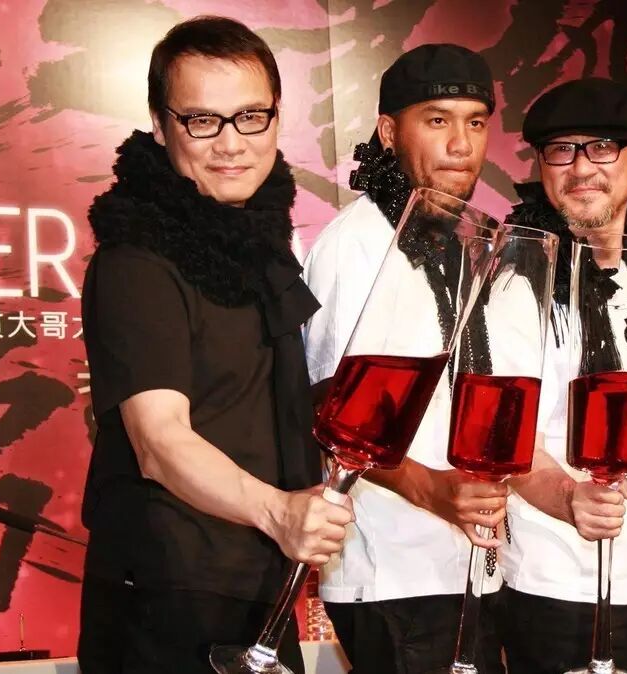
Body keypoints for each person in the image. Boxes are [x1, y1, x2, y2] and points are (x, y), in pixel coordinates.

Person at [78, 17, 353, 674]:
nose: (232, 144)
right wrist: (279, 511)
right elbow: (159, 442)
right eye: (203, 121)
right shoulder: (136, 260)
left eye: (250, 117)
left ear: (277, 116)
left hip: (259, 590)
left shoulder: (259, 249)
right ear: (160, 123)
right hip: (166, 596)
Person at [301, 44, 507, 674]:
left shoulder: (457, 239)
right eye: (437, 120)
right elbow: (332, 416)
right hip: (392, 571)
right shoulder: (357, 244)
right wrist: (434, 492)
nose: (461, 145)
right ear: (389, 132)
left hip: (468, 565)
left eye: (475, 122)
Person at [498, 77, 627, 674]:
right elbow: (507, 441)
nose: (582, 167)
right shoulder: (519, 285)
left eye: (602, 147)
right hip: (560, 587)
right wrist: (569, 498)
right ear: (542, 166)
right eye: (562, 150)